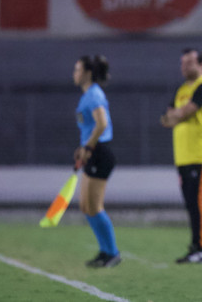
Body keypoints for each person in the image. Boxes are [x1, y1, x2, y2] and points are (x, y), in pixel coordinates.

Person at [160, 48, 202, 264]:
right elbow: (167, 118)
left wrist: (178, 114)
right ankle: (194, 247)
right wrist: (177, 114)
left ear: (201, 64)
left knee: (197, 201)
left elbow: (185, 112)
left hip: (200, 153)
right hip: (183, 155)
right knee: (189, 202)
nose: (184, 67)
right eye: (182, 63)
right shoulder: (181, 89)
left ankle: (201, 249)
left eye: (189, 63)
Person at [72, 55, 121, 268]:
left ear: (88, 73)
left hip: (100, 153)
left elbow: (102, 124)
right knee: (86, 206)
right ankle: (104, 251)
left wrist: (89, 147)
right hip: (92, 151)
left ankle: (112, 253)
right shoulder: (87, 96)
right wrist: (83, 147)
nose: (74, 74)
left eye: (77, 69)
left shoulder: (94, 95)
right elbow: (89, 127)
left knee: (94, 205)